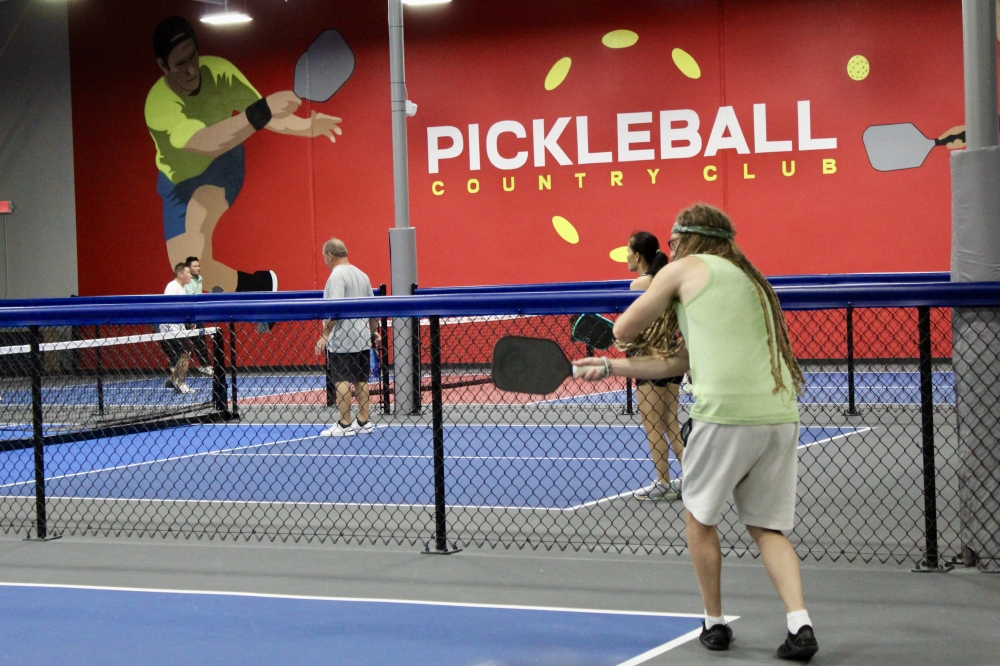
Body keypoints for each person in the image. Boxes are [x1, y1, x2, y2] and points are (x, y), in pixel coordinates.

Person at [574, 204, 817, 661]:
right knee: (767, 528)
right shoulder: (752, 279)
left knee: (700, 519)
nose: (671, 248)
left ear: (684, 240)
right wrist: (609, 366)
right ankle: (799, 623)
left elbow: (624, 326)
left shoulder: (682, 269)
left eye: (672, 241)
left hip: (723, 416)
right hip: (780, 416)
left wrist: (620, 336)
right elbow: (679, 362)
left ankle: (714, 621)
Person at [145, 16, 343, 292]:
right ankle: (260, 285)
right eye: (180, 64)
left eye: (193, 57)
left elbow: (268, 116)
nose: (191, 70)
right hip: (176, 182)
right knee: (189, 274)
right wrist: (261, 110)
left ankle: (214, 323)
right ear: (163, 66)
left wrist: (306, 126)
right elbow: (204, 141)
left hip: (221, 166)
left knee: (193, 262)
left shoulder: (220, 72)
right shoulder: (158, 105)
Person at [626, 231, 684, 501]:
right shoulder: (667, 280)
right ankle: (693, 480)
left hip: (649, 359)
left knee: (652, 423)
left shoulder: (639, 285)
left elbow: (633, 327)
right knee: (671, 421)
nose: (626, 255)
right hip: (672, 357)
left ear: (638, 256)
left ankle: (663, 482)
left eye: (628, 250)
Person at [314, 239, 378, 437]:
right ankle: (364, 420)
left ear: (330, 256)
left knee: (341, 378)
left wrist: (325, 334)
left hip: (343, 337)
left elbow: (336, 308)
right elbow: (372, 309)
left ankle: (344, 424)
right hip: (362, 337)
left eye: (324, 256)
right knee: (360, 378)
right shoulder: (362, 275)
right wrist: (372, 330)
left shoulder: (336, 276)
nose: (324, 259)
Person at [161, 263, 195, 394]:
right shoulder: (172, 287)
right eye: (188, 273)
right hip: (171, 329)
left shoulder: (182, 289)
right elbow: (168, 308)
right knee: (185, 353)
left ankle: (172, 380)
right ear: (180, 274)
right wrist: (173, 330)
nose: (190, 276)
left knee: (182, 355)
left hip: (178, 328)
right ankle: (179, 382)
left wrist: (188, 323)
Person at [183, 256, 214, 377]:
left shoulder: (199, 279)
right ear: (188, 269)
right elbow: (191, 298)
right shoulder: (187, 282)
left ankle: (205, 365)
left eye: (198, 266)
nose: (198, 268)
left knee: (200, 341)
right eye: (195, 266)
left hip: (197, 316)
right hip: (188, 316)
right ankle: (174, 367)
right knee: (185, 346)